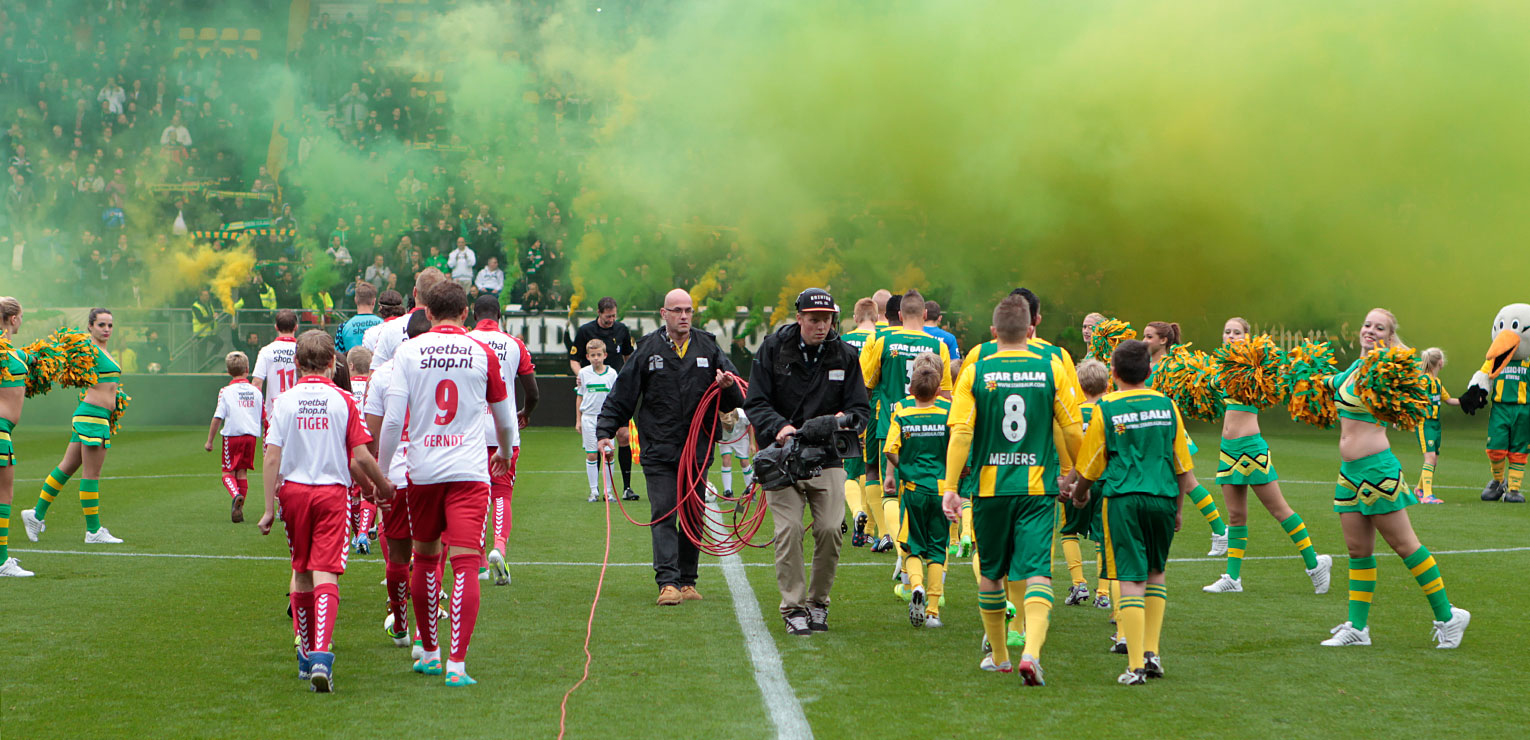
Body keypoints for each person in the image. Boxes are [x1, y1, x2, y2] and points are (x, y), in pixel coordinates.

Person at [378, 281, 518, 685]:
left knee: (422, 560)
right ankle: (456, 665)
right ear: (465, 311)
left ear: (426, 311)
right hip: (468, 472)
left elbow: (391, 420)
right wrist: (505, 452)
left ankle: (429, 653)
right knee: (464, 565)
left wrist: (385, 474)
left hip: (422, 471)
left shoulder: (408, 351)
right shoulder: (482, 351)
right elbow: (504, 418)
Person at [940, 295, 1081, 684]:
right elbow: (1072, 427)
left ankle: (1000, 656)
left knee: (991, 573)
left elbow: (962, 432)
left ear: (993, 332)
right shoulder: (1051, 365)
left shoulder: (975, 368)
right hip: (1037, 489)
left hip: (989, 489)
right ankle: (1031, 653)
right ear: (1031, 329)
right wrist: (1077, 475)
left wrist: (951, 487)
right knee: (1037, 572)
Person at [1321, 308, 1470, 648]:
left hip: (1377, 469)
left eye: (1380, 327)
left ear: (1389, 336)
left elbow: (1408, 385)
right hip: (1349, 472)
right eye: (1367, 324)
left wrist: (1391, 357)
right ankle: (1358, 628)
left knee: (1405, 545)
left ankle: (1448, 617)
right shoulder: (1354, 369)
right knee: (1357, 550)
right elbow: (1328, 384)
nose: (1370, 330)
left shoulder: (1388, 368)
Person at [258, 330, 393, 692]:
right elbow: (359, 455)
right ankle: (321, 654)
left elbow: (272, 456)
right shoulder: (344, 400)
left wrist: (269, 508)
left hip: (293, 493)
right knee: (327, 573)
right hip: (332, 494)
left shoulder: (283, 402)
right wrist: (381, 487)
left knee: (301, 569)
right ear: (334, 364)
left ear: (298, 364)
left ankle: (304, 653)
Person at [596, 289, 743, 607]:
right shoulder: (648, 347)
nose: (685, 316)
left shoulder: (708, 344)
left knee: (693, 514)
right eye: (677, 310)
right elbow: (623, 393)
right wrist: (605, 431)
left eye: (689, 310)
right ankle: (668, 583)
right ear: (664, 313)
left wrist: (728, 388)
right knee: (664, 511)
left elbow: (734, 396)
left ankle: (688, 581)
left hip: (698, 446)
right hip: (659, 447)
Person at [1064, 339, 1197, 685]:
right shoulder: (1167, 405)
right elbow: (1182, 466)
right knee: (1156, 574)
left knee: (1131, 579)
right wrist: (1179, 510)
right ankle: (1153, 653)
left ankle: (1135, 665)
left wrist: (1079, 495)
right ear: (1149, 370)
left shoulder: (1107, 407)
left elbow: (1091, 464)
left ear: (1114, 373)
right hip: (1164, 498)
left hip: (1123, 498)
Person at [744, 288, 870, 634]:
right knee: (789, 530)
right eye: (814, 319)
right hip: (782, 458)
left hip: (827, 455)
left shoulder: (845, 355)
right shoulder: (772, 349)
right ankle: (793, 608)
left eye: (827, 319)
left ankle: (818, 604)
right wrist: (779, 427)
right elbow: (755, 402)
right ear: (799, 318)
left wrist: (843, 420)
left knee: (831, 528)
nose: (821, 326)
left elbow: (861, 410)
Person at [1203, 317, 1332, 595]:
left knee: (1279, 509)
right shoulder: (1223, 367)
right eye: (1227, 332)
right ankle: (1233, 578)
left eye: (1237, 332)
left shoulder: (1257, 365)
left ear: (1248, 337)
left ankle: (1315, 564)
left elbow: (1279, 375)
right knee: (1235, 516)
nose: (1231, 336)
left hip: (1251, 448)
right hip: (1228, 450)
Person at [22, 308, 126, 545]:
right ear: (90, 326)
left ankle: (35, 515)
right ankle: (93, 531)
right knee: (92, 474)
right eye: (101, 325)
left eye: (110, 325)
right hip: (92, 418)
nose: (107, 329)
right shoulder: (88, 347)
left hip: (93, 416)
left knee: (67, 467)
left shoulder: (103, 349)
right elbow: (61, 351)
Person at [364, 311, 435, 659]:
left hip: (397, 472)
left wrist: (378, 474)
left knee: (397, 553)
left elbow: (373, 433)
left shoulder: (384, 374)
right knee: (429, 555)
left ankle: (402, 624)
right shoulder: (447, 366)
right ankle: (425, 632)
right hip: (435, 470)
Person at [861, 290, 952, 559]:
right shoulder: (939, 346)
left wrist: (859, 420)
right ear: (925, 315)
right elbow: (946, 396)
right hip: (931, 428)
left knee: (890, 491)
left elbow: (866, 385)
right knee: (923, 490)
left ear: (899, 316)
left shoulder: (882, 339)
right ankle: (930, 553)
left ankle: (902, 552)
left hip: (891, 426)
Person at [1143, 319, 1229, 556]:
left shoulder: (1172, 366)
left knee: (1189, 483)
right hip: (1149, 433)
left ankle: (1221, 531)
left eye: (1149, 336)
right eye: (1144, 336)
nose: (1144, 340)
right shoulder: (1143, 365)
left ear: (1164, 341)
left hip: (1170, 431)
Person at [467, 294, 531, 585]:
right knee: (502, 492)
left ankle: (480, 562)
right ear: (500, 314)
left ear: (472, 313)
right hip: (504, 427)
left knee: (475, 494)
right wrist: (526, 412)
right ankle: (500, 547)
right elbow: (534, 391)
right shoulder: (514, 344)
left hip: (470, 431)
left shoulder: (465, 342)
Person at [883, 353, 951, 628]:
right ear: (938, 390)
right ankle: (933, 610)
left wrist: (905, 467)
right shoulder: (948, 412)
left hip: (913, 490)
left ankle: (916, 586)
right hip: (941, 490)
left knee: (911, 546)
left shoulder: (902, 414)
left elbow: (890, 449)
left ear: (910, 390)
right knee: (937, 550)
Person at [571, 296, 638, 500]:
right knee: (596, 445)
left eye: (614, 316)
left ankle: (626, 487)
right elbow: (574, 359)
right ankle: (596, 489)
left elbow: (628, 357)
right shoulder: (585, 331)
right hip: (593, 390)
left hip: (616, 390)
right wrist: (580, 376)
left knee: (624, 436)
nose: (612, 320)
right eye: (608, 316)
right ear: (599, 313)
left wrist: (628, 376)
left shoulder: (622, 330)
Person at [1059, 359, 1112, 614]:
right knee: (1103, 538)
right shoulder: (1112, 410)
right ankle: (1103, 594)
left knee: (1069, 531)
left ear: (1080, 384)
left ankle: (1079, 583)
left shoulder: (1073, 413)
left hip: (1077, 480)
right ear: (1107, 383)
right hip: (1106, 482)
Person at [205, 351, 263, 524]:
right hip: (251, 436)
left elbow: (218, 417)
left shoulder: (226, 391)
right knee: (242, 472)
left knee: (227, 472)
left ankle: (235, 495)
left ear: (229, 371)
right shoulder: (256, 391)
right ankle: (240, 509)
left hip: (233, 436)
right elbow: (263, 415)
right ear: (247, 369)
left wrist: (210, 440)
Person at [0, 297, 33, 576]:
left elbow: (30, 358)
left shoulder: (12, 352)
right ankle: (1, 561)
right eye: (21, 316)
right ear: (13, 319)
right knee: (3, 495)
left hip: (4, 429)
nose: (21, 321)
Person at [577, 339, 620, 503]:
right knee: (592, 455)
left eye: (599, 355)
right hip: (588, 418)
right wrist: (578, 420)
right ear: (588, 356)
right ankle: (594, 491)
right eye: (592, 355)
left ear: (605, 355)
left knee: (609, 454)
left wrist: (616, 419)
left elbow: (616, 398)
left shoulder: (612, 373)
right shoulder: (583, 373)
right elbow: (579, 396)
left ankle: (608, 492)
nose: (596, 358)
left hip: (607, 419)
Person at [1416, 348, 1459, 504]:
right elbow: (1413, 399)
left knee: (1434, 460)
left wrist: (1469, 400)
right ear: (1440, 362)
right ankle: (1427, 495)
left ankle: (1420, 489)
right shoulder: (1423, 381)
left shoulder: (1437, 382)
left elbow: (1449, 400)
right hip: (1425, 423)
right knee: (1430, 458)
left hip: (1435, 424)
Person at [346, 347, 378, 552]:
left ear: (351, 366)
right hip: (370, 438)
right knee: (371, 486)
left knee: (355, 492)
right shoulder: (374, 384)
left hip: (351, 441)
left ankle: (359, 534)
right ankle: (364, 533)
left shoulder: (344, 387)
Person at [251, 310, 300, 424]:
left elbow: (257, 382)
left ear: (276, 327)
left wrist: (257, 411)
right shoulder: (303, 350)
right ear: (296, 327)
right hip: (298, 411)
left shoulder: (266, 351)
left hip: (273, 412)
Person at [715, 409, 755, 499]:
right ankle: (728, 492)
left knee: (744, 461)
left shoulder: (742, 415)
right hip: (725, 439)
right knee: (726, 460)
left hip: (741, 437)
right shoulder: (716, 418)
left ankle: (750, 490)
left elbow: (750, 426)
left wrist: (751, 443)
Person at [335, 281, 383, 354]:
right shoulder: (384, 325)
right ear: (374, 301)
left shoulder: (343, 327)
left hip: (351, 364)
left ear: (356, 300)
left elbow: (339, 357)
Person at [923, 299, 961, 379]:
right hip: (941, 383)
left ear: (923, 315)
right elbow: (955, 365)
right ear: (940, 318)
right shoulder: (949, 338)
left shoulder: (915, 334)